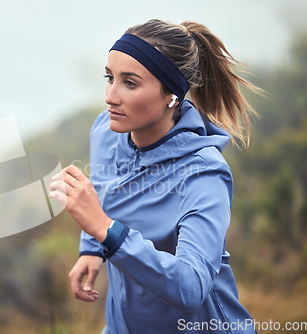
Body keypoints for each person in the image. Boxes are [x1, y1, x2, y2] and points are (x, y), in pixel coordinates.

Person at [49, 19, 262, 334]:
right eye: (109, 78)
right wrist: (93, 248)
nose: (110, 96)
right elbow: (106, 195)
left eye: (130, 83)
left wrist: (105, 232)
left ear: (172, 97)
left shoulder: (203, 174)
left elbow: (190, 288)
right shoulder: (106, 132)